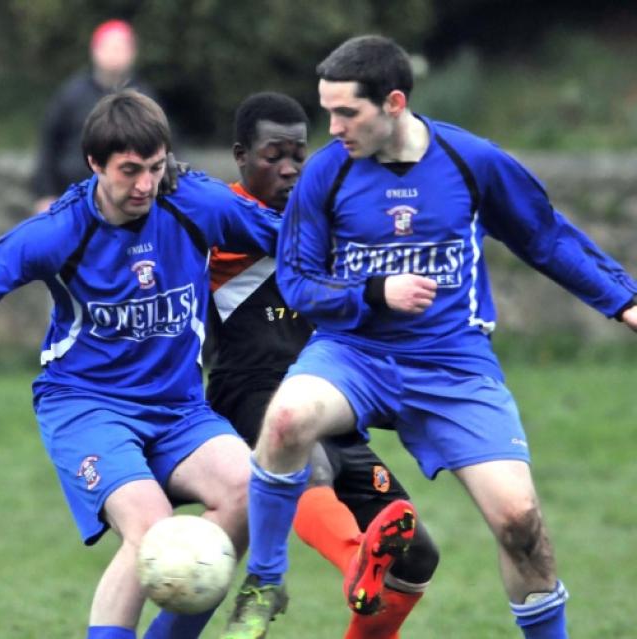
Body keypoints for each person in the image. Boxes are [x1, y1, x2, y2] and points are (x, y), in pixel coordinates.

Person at [220, 35, 637, 639]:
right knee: (286, 419)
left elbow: (547, 239)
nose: (331, 128)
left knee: (521, 524)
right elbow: (299, 282)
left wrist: (624, 301)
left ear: (393, 103)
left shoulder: (472, 162)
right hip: (354, 353)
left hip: (452, 364)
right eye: (326, 110)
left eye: (346, 113)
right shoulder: (327, 178)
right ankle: (263, 580)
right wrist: (372, 293)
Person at [0, 90, 281, 639]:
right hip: (86, 407)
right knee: (151, 530)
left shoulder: (195, 203)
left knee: (248, 489)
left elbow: (293, 240)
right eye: (130, 170)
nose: (145, 184)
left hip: (179, 409)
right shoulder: (58, 231)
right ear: (95, 164)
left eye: (156, 167)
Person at [207, 92, 438, 639]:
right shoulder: (216, 224)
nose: (289, 168)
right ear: (241, 156)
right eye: (272, 156)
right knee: (306, 462)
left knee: (416, 554)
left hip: (329, 392)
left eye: (298, 155)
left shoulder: (326, 220)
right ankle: (357, 557)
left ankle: (370, 565)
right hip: (252, 393)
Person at [31, 19, 155, 213]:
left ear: (133, 52)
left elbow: (163, 148)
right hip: (73, 198)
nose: (115, 54)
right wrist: (45, 194)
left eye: (121, 48)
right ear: (95, 50)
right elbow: (49, 146)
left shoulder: (144, 97)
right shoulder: (71, 94)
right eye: (109, 47)